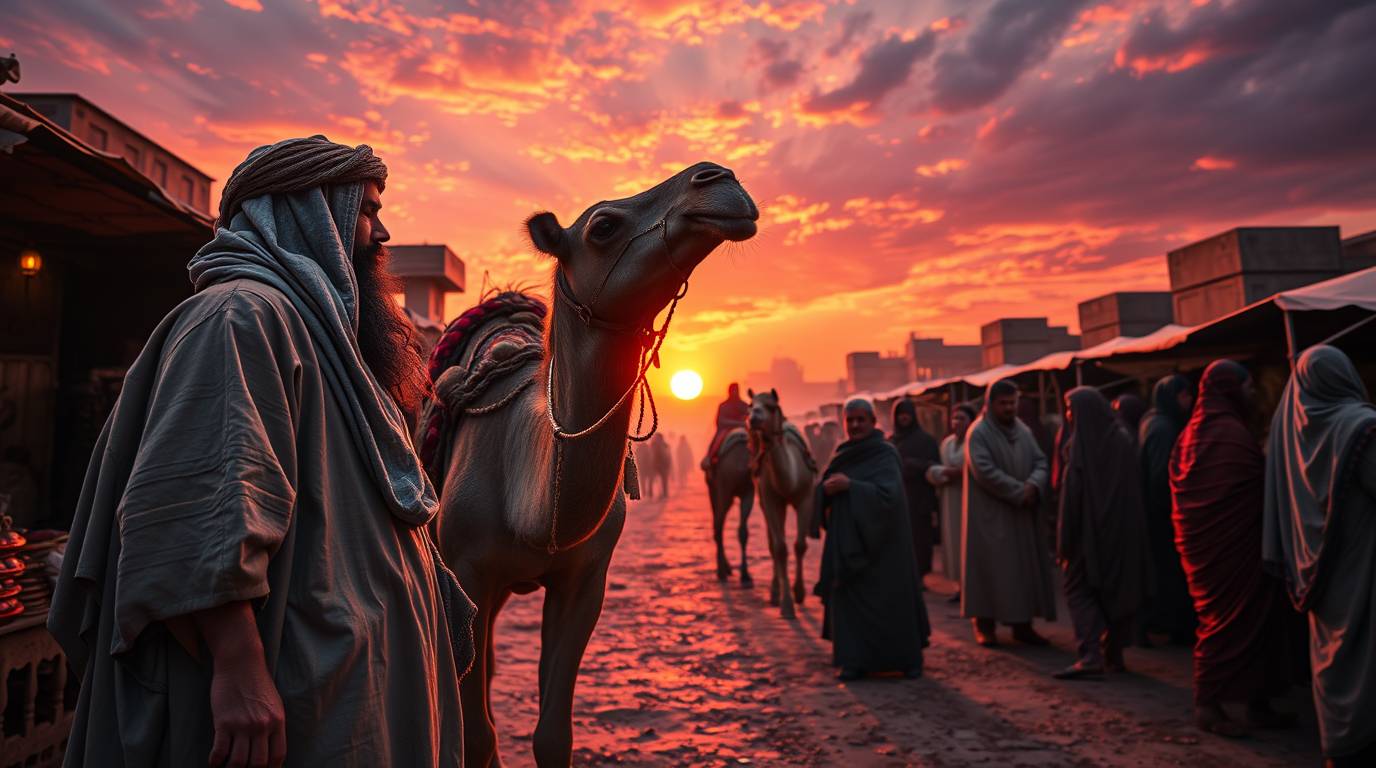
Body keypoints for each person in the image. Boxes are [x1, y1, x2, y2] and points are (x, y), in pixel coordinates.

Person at [48, 136, 468, 768]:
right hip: (290, 686)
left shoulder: (310, 330)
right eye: (368, 209)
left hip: (342, 673)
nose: (382, 235)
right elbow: (198, 499)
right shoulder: (241, 316)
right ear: (307, 211)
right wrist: (241, 669)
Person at [1263, 346, 1376, 766]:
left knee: (1335, 657)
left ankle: (1338, 743)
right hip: (1363, 563)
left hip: (1319, 573)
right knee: (1365, 652)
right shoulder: (1359, 425)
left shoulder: (1293, 431)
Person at [1171, 359, 1296, 737]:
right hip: (1229, 549)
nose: (1253, 392)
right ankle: (1207, 705)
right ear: (1229, 389)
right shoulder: (1228, 435)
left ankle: (1257, 704)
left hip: (1216, 547)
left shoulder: (1193, 433)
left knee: (1251, 624)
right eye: (1247, 387)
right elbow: (1256, 487)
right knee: (1226, 624)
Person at [813, 399, 930, 681]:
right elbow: (824, 486)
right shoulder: (842, 454)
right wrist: (825, 491)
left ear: (872, 422)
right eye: (849, 420)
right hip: (850, 544)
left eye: (860, 420)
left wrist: (851, 486)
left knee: (893, 601)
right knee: (851, 603)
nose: (855, 426)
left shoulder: (885, 454)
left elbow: (889, 495)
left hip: (886, 547)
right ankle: (854, 661)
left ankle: (905, 659)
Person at [1052, 387, 1151, 679]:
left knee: (1078, 590)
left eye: (1071, 409)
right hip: (1123, 533)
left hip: (1088, 538)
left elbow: (1071, 503)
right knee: (1115, 589)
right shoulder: (1123, 441)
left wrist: (1064, 545)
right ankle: (1114, 653)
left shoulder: (1080, 447)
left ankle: (1090, 653)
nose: (1068, 415)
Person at [962, 379, 1057, 647]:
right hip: (990, 516)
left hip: (1021, 514)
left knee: (1021, 572)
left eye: (1012, 403)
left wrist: (1034, 485)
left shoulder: (1023, 430)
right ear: (990, 404)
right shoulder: (978, 433)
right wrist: (1018, 491)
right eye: (1003, 403)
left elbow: (1040, 460)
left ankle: (1022, 625)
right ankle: (984, 625)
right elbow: (984, 471)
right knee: (989, 570)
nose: (1008, 408)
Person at [1138, 374, 1197, 645]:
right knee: (1170, 573)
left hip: (1154, 512)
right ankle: (1172, 626)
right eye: (1184, 395)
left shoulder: (1153, 421)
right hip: (1163, 514)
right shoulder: (1163, 428)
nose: (1189, 400)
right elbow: (1161, 475)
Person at [928, 404, 975, 603]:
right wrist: (943, 474)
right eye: (954, 418)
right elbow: (938, 468)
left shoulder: (975, 442)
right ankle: (960, 586)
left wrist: (959, 472)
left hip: (969, 498)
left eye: (962, 418)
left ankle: (973, 587)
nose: (956, 423)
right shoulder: (947, 443)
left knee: (969, 542)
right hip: (949, 498)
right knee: (953, 543)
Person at [890, 400, 940, 583]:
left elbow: (936, 466)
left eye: (907, 413)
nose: (904, 417)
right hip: (897, 498)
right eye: (900, 414)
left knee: (920, 540)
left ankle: (919, 576)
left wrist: (915, 465)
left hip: (920, 498)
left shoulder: (926, 441)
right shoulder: (890, 442)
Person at [702, 382, 751, 471]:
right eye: (733, 391)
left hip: (743, 429)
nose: (735, 393)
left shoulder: (744, 405)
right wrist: (738, 423)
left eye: (736, 390)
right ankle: (709, 457)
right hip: (727, 429)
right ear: (729, 392)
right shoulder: (724, 406)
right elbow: (719, 421)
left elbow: (750, 416)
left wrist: (745, 422)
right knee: (718, 440)